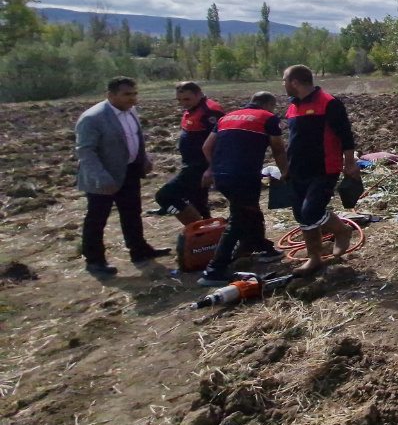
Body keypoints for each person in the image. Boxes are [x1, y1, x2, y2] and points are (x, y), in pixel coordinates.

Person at [75, 76, 171, 276]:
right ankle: (95, 261)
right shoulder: (92, 118)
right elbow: (86, 152)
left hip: (128, 172)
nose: (133, 98)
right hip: (102, 177)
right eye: (127, 94)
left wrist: (143, 158)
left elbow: (135, 137)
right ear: (111, 95)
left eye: (135, 94)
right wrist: (102, 178)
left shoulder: (131, 112)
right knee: (97, 219)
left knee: (131, 213)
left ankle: (139, 251)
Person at [197, 91, 288, 286]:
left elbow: (206, 147)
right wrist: (286, 173)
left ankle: (262, 246)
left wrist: (213, 168)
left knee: (250, 209)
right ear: (268, 105)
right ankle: (215, 269)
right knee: (238, 218)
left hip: (221, 175)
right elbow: (278, 149)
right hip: (243, 175)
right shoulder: (268, 117)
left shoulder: (226, 117)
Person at [282, 65, 357, 276]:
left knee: (311, 211)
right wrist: (286, 168)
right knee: (301, 215)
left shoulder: (329, 103)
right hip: (298, 169)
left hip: (324, 168)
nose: (284, 85)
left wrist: (349, 163)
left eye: (285, 80)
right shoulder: (292, 107)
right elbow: (294, 141)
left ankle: (342, 229)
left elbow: (346, 135)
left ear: (294, 82)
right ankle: (314, 259)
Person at [151, 82, 224, 223]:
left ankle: (195, 227)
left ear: (199, 94)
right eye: (179, 100)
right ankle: (207, 234)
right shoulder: (193, 108)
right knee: (198, 202)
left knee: (165, 196)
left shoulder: (209, 111)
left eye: (186, 99)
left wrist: (211, 169)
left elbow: (220, 142)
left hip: (199, 168)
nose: (182, 104)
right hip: (190, 165)